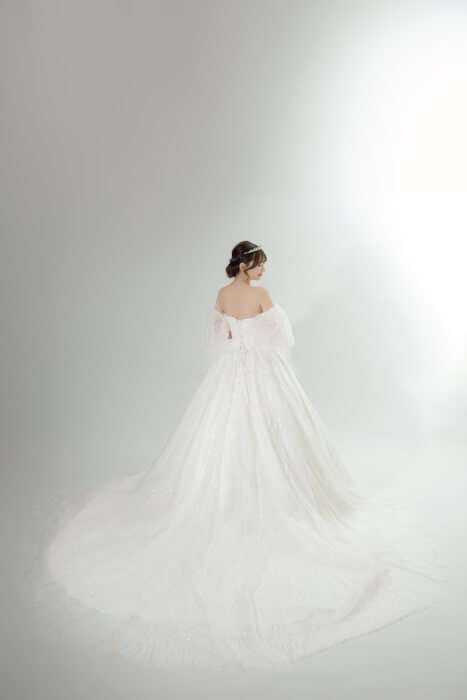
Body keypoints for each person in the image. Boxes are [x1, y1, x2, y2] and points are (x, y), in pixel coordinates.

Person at [37, 241, 441, 671]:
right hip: (264, 374)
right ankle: (274, 502)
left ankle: (224, 500)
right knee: (277, 436)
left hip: (229, 375)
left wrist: (241, 346)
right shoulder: (262, 296)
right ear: (245, 264)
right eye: (259, 263)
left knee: (221, 438)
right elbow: (282, 339)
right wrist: (261, 349)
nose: (264, 270)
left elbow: (220, 337)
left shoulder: (221, 294)